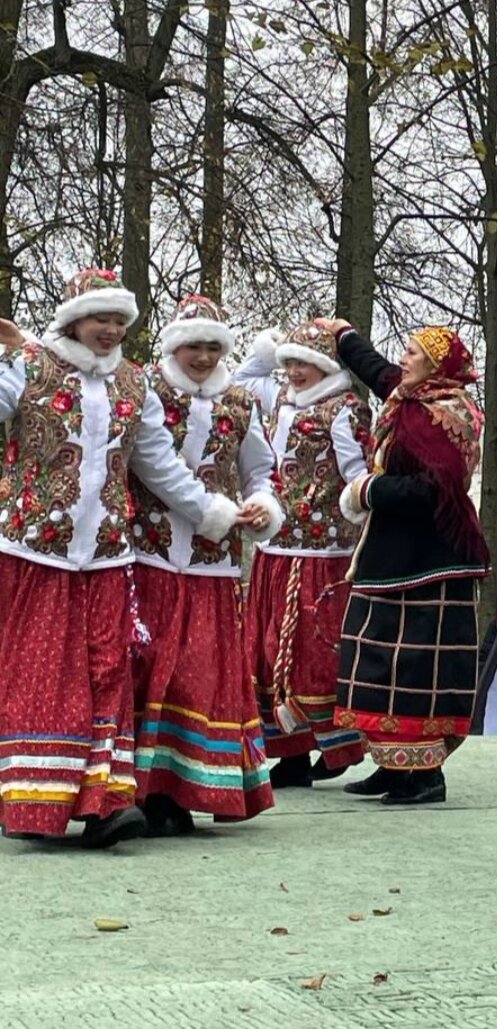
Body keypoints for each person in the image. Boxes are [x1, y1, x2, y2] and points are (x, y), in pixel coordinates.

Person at [0, 269, 242, 847]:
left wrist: (215, 513)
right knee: (37, 671)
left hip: (108, 554)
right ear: (73, 319)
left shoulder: (134, 385)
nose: (109, 330)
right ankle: (30, 798)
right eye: (99, 318)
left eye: (119, 321)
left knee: (108, 670)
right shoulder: (29, 366)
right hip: (35, 548)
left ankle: (105, 803)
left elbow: (159, 465)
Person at [130, 295, 283, 835]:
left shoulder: (240, 402)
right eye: (194, 345)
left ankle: (185, 789)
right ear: (175, 344)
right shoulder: (146, 388)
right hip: (146, 554)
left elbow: (260, 467)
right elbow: (150, 467)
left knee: (198, 676)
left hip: (210, 567)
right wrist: (212, 511)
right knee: (145, 673)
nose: (203, 356)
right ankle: (142, 792)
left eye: (214, 347)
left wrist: (263, 504)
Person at [322, 320, 489, 805]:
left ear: (437, 366)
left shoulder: (443, 415)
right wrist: (345, 336)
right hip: (390, 552)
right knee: (376, 660)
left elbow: (435, 489)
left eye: (413, 353)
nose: (405, 359)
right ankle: (393, 763)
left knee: (417, 667)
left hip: (430, 558)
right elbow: (378, 372)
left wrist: (369, 489)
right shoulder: (410, 399)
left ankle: (425, 773)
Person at [235, 321, 370, 788]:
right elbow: (238, 383)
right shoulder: (277, 402)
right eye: (288, 362)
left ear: (325, 366)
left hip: (321, 552)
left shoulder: (345, 409)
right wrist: (264, 349)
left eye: (303, 363)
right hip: (275, 547)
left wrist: (348, 510)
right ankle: (289, 753)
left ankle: (339, 745)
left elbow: (357, 474)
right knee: (268, 654)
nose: (293, 371)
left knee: (313, 655)